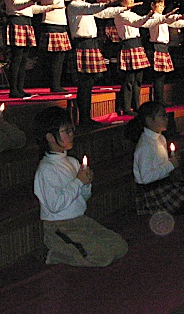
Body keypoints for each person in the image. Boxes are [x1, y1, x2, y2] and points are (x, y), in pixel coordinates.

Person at [33, 106, 128, 267]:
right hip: (60, 227)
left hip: (80, 221)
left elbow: (83, 198)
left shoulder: (72, 162)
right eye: (66, 130)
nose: (72, 134)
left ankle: (73, 250)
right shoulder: (46, 169)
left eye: (71, 129)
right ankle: (54, 254)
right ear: (50, 137)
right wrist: (78, 182)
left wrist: (86, 184)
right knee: (102, 256)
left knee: (120, 247)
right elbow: (55, 206)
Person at [64, 0, 126, 126]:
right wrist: (109, 3)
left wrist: (123, 8)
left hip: (91, 44)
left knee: (89, 83)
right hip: (82, 44)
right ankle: (84, 118)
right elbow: (91, 9)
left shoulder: (85, 5)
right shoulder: (74, 5)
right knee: (85, 83)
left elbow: (102, 13)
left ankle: (87, 117)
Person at [127, 101, 184, 214]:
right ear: (149, 120)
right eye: (162, 115)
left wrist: (171, 162)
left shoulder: (160, 138)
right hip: (153, 190)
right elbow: (146, 178)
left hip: (164, 184)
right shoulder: (145, 146)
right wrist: (170, 164)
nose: (166, 118)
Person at [1, 0, 62, 98]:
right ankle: (13, 89)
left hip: (26, 21)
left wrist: (48, 7)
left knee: (24, 58)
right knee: (17, 57)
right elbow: (17, 5)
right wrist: (32, 1)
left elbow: (30, 8)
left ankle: (20, 88)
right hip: (17, 20)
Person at [143, 0, 184, 106]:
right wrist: (179, 16)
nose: (161, 7)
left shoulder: (163, 18)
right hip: (157, 46)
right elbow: (170, 19)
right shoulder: (154, 18)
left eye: (163, 5)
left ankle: (160, 100)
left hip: (163, 47)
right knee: (158, 76)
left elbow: (176, 23)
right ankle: (158, 101)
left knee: (162, 76)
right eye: (159, 5)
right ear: (152, 5)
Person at [113, 0, 156, 116]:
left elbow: (143, 23)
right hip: (128, 45)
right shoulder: (120, 14)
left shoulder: (132, 13)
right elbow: (136, 22)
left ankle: (137, 106)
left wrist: (158, 18)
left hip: (137, 44)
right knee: (129, 80)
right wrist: (148, 15)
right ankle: (126, 107)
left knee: (138, 79)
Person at [39, 0, 71, 92]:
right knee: (55, 59)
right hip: (52, 26)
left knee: (61, 58)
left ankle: (57, 84)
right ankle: (54, 85)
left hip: (61, 26)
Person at [89, 0, 119, 84]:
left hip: (111, 22)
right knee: (107, 50)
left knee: (113, 51)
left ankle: (113, 75)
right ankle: (106, 77)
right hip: (105, 23)